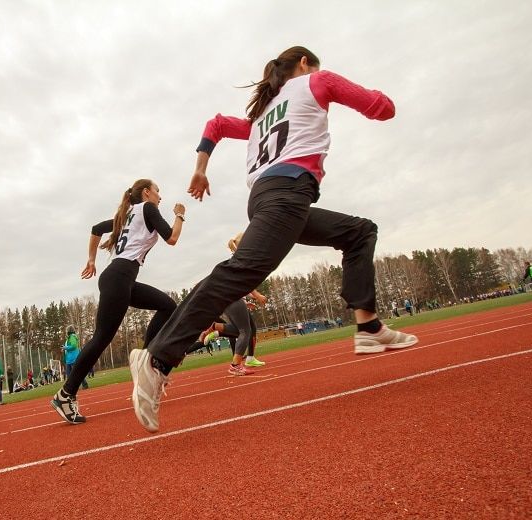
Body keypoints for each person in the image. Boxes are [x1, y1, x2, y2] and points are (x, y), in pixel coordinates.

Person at [129, 45, 418, 433]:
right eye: (315, 68)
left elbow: (215, 124)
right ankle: (158, 359)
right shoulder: (318, 82)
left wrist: (200, 169)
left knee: (359, 232)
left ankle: (367, 325)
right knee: (240, 272)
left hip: (269, 198)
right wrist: (379, 97)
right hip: (288, 194)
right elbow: (382, 108)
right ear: (304, 65)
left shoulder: (260, 115)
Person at [51, 179, 185, 425]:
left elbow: (95, 228)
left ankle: (146, 360)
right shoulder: (146, 208)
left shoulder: (126, 215)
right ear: (146, 193)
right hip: (120, 277)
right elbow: (173, 238)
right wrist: (179, 215)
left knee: (168, 305)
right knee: (101, 338)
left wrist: (92, 261)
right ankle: (66, 393)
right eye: (158, 191)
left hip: (120, 278)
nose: (160, 196)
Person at [62, 325, 88, 390]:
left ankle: (84, 384)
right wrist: (64, 348)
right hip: (69, 359)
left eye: (67, 331)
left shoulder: (72, 337)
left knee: (77, 373)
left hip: (73, 358)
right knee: (69, 375)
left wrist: (65, 348)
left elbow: (73, 346)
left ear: (69, 331)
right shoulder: (69, 338)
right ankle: (71, 387)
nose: (66, 332)